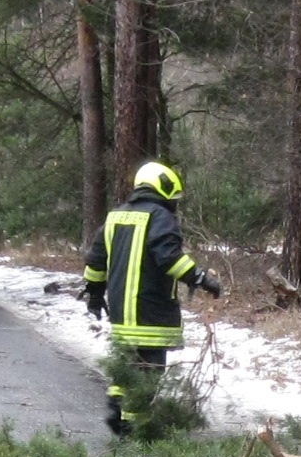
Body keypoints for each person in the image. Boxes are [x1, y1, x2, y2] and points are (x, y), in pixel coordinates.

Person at [82, 160, 220, 434]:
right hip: (151, 313)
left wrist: (95, 297)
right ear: (163, 189)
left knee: (128, 365)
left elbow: (95, 263)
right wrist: (199, 278)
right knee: (148, 373)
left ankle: (117, 403)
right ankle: (134, 429)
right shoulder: (160, 217)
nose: (174, 204)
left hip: (121, 314)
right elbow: (169, 257)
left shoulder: (115, 216)